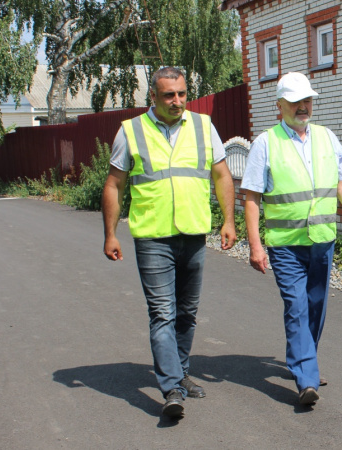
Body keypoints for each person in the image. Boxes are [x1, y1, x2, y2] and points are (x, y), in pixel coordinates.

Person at [101, 66, 236, 419]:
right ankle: (172, 387)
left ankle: (182, 371)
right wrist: (111, 233)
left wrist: (228, 220)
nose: (177, 101)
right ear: (154, 98)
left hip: (193, 233)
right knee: (162, 312)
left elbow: (221, 174)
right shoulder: (131, 131)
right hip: (153, 236)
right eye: (168, 95)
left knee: (186, 313)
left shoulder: (204, 126)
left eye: (181, 93)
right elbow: (114, 184)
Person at [242, 72, 342, 406]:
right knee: (297, 307)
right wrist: (255, 245)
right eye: (296, 101)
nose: (303, 106)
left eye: (307, 100)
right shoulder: (265, 144)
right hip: (285, 243)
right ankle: (307, 379)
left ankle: (303, 360)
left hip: (322, 240)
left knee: (316, 306)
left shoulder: (328, 138)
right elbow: (252, 198)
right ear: (279, 106)